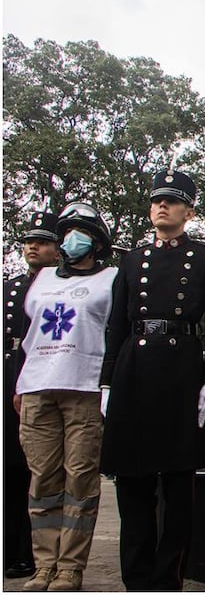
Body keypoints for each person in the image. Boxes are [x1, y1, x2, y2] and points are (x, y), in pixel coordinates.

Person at [100, 169, 205, 590]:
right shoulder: (131, 260)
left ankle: (167, 579)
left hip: (180, 370)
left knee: (177, 483)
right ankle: (135, 579)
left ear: (189, 212)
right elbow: (117, 326)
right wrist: (107, 381)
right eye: (157, 199)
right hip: (133, 369)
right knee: (131, 482)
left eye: (171, 201)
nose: (161, 206)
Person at [17, 204, 117, 591]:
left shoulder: (110, 279)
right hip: (37, 386)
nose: (72, 238)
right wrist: (17, 386)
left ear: (97, 242)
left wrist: (109, 386)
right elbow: (24, 336)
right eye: (67, 231)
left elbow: (116, 333)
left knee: (80, 480)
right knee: (43, 479)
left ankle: (70, 568)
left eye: (82, 231)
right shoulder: (41, 279)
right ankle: (44, 566)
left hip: (83, 389)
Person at [3, 211, 59, 580]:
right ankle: (9, 549)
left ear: (57, 249)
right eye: (28, 241)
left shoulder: (59, 287)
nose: (32, 247)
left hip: (41, 375)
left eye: (41, 242)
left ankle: (31, 553)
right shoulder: (10, 287)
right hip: (8, 374)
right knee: (8, 468)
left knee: (36, 471)